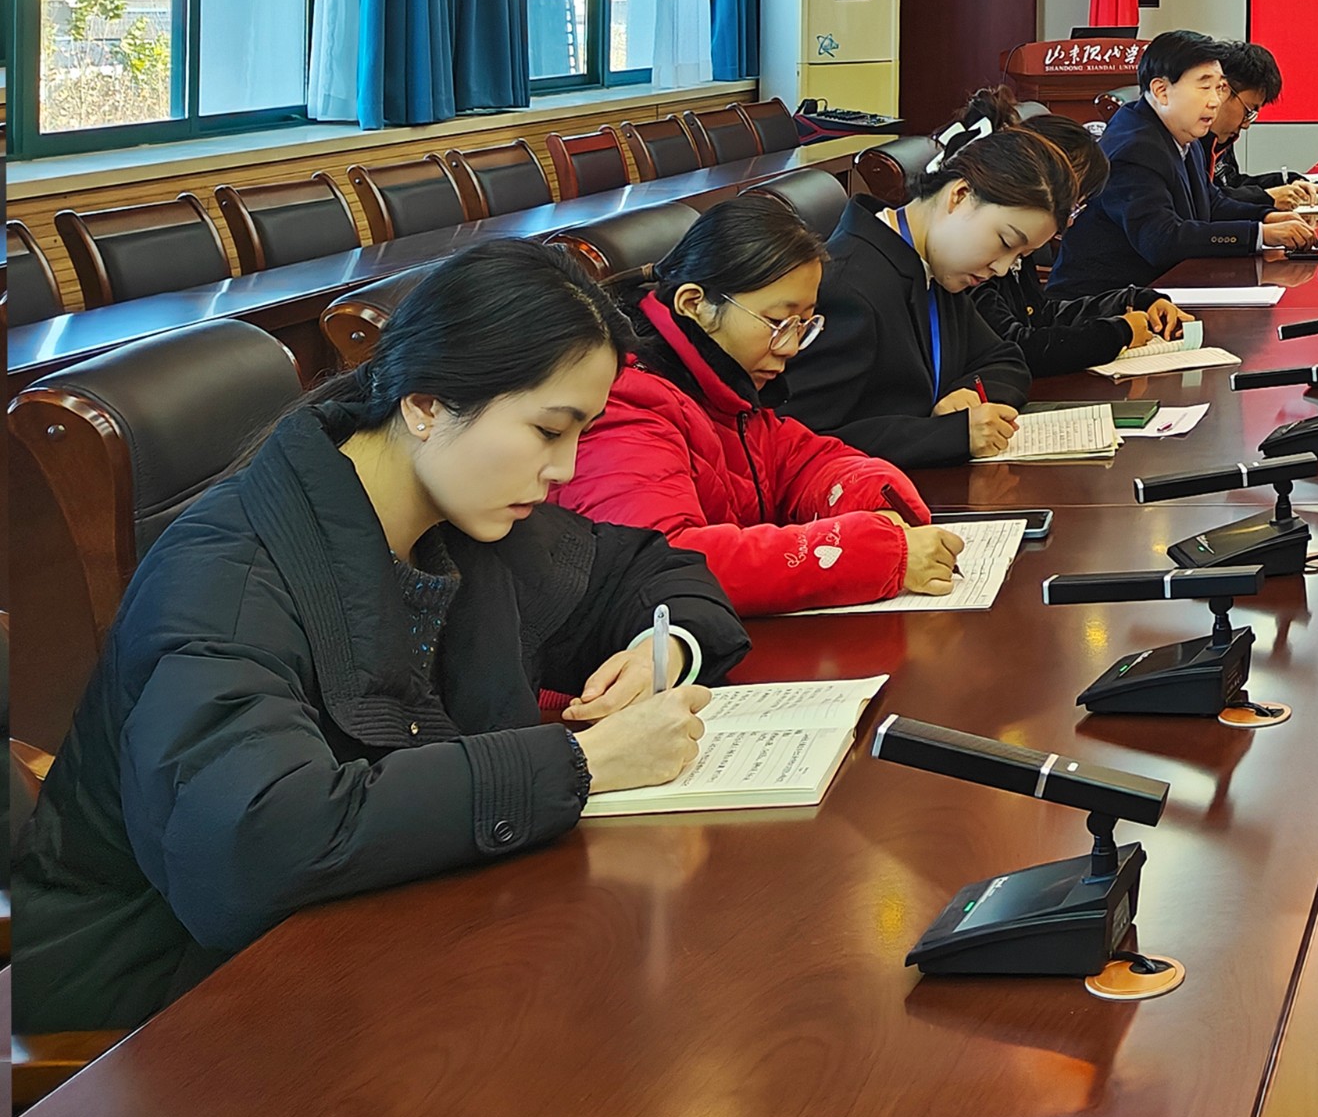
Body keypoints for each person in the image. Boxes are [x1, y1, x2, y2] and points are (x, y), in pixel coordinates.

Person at [14, 244, 748, 1034]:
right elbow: (251, 844)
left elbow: (649, 570)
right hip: (168, 994)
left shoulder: (462, 513)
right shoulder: (225, 577)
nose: (565, 469)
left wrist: (663, 648)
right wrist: (582, 762)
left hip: (381, 937)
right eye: (547, 430)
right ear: (425, 405)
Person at [553, 191, 966, 612]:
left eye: (804, 324)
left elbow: (800, 462)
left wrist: (876, 501)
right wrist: (876, 552)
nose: (791, 347)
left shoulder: (724, 384)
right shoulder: (624, 406)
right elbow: (665, 563)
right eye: (778, 322)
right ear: (694, 304)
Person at [782, 87, 1062, 469]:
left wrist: (966, 393)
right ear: (959, 195)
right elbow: (798, 441)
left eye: (1019, 257)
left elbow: (1005, 359)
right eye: (1004, 242)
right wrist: (949, 434)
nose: (1001, 268)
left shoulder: (932, 267)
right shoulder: (849, 289)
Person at [1046, 35, 1314, 299]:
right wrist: (1259, 234)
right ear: (1161, 91)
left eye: (1220, 88)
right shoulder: (1134, 148)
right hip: (1099, 303)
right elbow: (1162, 240)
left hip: (1156, 292)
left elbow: (1211, 203)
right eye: (1204, 87)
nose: (1215, 101)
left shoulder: (1182, 134)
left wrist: (1267, 217)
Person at [976, 115, 1200, 377]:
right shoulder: (980, 258)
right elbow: (1018, 347)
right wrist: (1118, 333)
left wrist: (1133, 300)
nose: (1068, 223)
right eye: (1068, 206)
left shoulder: (1017, 251)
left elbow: (1042, 315)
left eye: (1075, 208)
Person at [1210, 41, 1318, 218]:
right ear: (1223, 89)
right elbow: (1206, 203)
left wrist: (1287, 181)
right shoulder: (1190, 139)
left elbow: (1231, 184)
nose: (1246, 124)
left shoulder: (1222, 137)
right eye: (1248, 110)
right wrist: (1266, 198)